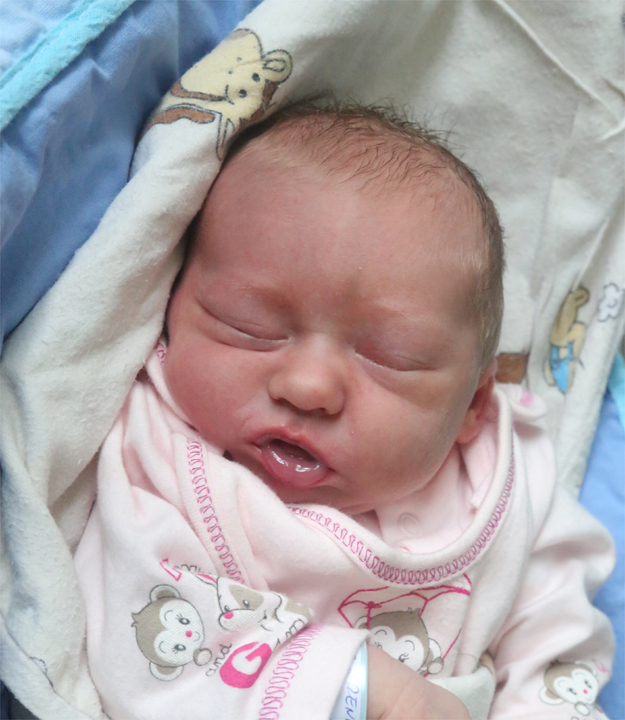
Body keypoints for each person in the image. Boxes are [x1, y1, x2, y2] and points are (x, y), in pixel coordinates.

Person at [74, 103, 614, 720]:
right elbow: (140, 649)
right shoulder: (158, 460)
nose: (308, 387)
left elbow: (557, 654)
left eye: (389, 357)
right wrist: (364, 690)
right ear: (170, 305)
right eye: (248, 325)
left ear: (472, 405)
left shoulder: (506, 486)